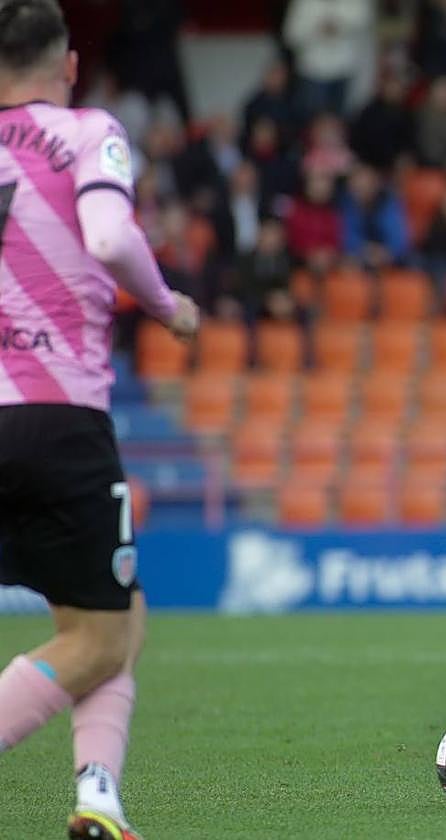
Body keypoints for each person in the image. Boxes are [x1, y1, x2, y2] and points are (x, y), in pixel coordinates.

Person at [0, 3, 200, 839]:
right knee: (103, 639)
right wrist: (166, 305)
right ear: (71, 65)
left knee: (114, 614)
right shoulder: (89, 132)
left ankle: (99, 795)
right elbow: (112, 237)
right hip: (55, 418)